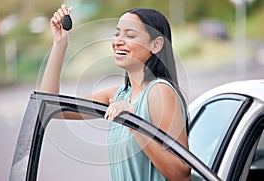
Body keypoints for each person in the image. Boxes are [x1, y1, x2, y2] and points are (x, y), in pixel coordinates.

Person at [40, 4, 191, 181]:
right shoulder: (119, 95)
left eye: (130, 35)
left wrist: (135, 125)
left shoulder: (160, 91)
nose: (118, 41)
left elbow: (181, 175)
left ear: (156, 44)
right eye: (117, 33)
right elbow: (50, 105)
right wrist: (60, 43)